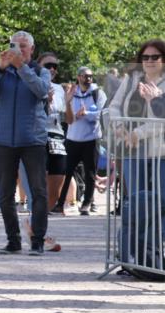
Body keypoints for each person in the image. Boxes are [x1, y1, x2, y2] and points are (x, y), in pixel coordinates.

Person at [0, 30, 53, 256]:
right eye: (14, 45)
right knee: (5, 194)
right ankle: (13, 240)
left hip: (32, 140)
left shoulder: (41, 72)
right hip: (4, 140)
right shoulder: (3, 72)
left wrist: (22, 68)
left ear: (31, 50)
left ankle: (37, 240)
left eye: (22, 46)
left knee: (38, 191)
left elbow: (40, 91)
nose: (17, 50)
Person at [106, 39, 165, 199]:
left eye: (155, 57)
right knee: (135, 198)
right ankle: (134, 225)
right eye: (145, 57)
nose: (149, 61)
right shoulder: (131, 79)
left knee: (162, 200)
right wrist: (119, 127)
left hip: (160, 151)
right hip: (130, 148)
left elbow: (162, 120)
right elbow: (114, 106)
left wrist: (136, 134)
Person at [52, 66, 105, 215]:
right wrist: (69, 104)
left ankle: (86, 204)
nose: (87, 79)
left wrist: (85, 113)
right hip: (73, 139)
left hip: (91, 139)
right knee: (66, 172)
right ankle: (60, 203)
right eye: (84, 76)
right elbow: (69, 119)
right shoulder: (71, 93)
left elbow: (99, 114)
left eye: (89, 76)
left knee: (90, 173)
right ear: (78, 77)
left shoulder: (98, 93)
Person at [36, 52, 68, 212]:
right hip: (39, 137)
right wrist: (44, 101)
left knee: (57, 181)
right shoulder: (32, 84)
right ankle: (37, 221)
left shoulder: (59, 89)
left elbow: (67, 119)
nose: (52, 69)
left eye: (55, 66)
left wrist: (69, 103)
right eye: (48, 66)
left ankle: (47, 217)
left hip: (58, 136)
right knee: (39, 185)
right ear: (39, 66)